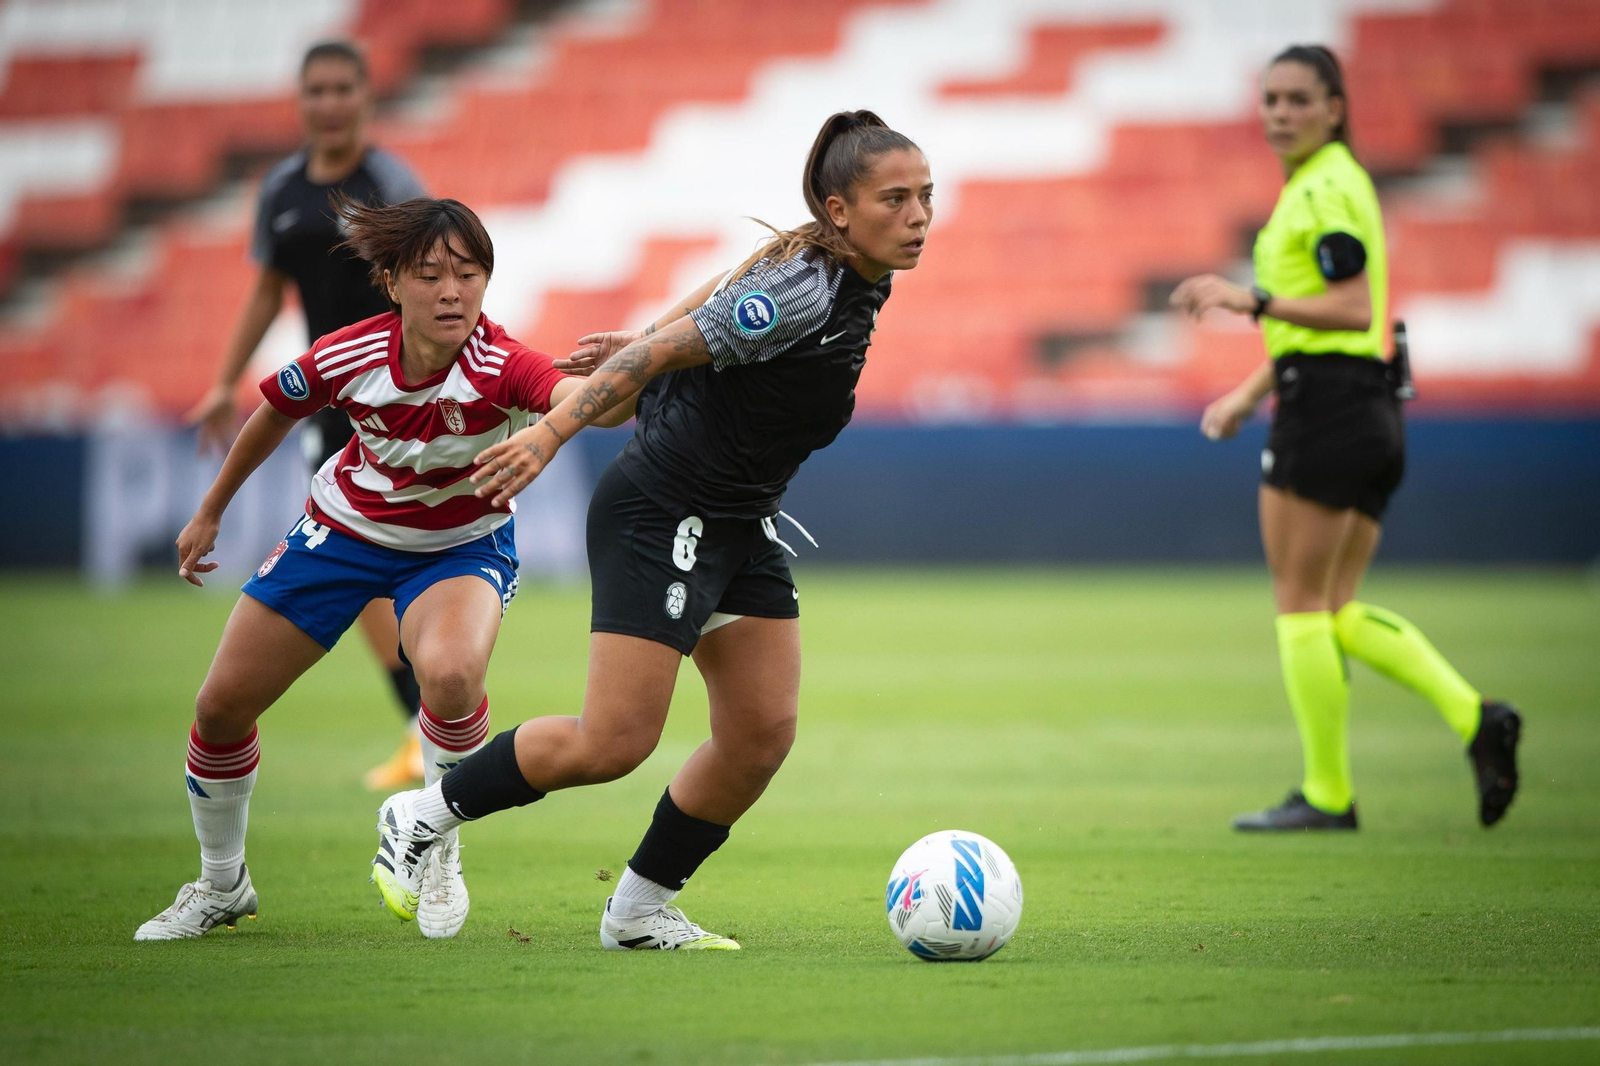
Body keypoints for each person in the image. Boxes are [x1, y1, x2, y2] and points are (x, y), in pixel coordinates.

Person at [369, 110, 932, 950]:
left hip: (738, 518)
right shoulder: (805, 289)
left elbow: (707, 305)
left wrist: (650, 335)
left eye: (927, 196)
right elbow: (675, 349)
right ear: (838, 209)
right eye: (897, 199)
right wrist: (552, 432)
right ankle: (422, 814)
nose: (920, 216)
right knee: (614, 741)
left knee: (761, 733)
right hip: (666, 508)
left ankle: (636, 912)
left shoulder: (836, 270)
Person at [135, 196, 631, 940]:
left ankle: (434, 844)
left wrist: (622, 376)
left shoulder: (502, 365)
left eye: (469, 273)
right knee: (220, 707)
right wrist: (210, 510)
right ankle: (219, 885)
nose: (453, 290)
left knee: (454, 675)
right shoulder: (350, 353)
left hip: (460, 545)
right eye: (432, 275)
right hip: (343, 534)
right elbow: (274, 409)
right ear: (394, 284)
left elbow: (592, 406)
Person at [1171, 45, 1521, 832]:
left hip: (1326, 411)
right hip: (1365, 406)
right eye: (1271, 99)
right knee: (1333, 607)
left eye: (1299, 99)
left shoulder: (1326, 186)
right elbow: (1364, 327)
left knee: (1299, 604)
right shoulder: (1333, 184)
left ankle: (1329, 794)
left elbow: (1351, 309)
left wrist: (1248, 299)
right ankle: (1477, 717)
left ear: (1336, 108)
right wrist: (1248, 391)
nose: (1281, 113)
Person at [185, 40, 433, 791]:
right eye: (315, 90)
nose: (328, 103)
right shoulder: (282, 189)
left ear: (364, 97)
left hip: (397, 396)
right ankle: (425, 729)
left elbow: (434, 271)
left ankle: (433, 726)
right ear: (301, 102)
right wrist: (227, 381)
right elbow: (269, 290)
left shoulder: (386, 182)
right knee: (365, 581)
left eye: (341, 89)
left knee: (400, 564)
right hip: (330, 402)